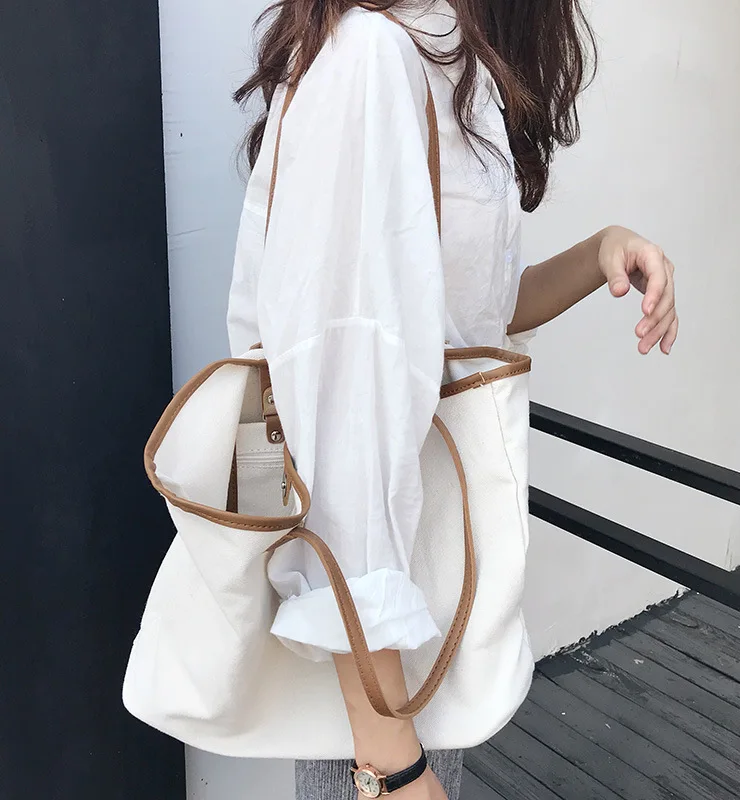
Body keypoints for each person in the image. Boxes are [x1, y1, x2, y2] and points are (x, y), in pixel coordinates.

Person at [227, 1, 679, 798]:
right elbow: (342, 411)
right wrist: (391, 766)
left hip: (404, 610)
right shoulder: (370, 55)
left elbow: (469, 320)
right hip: (369, 648)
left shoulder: (442, 57)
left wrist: (600, 250)